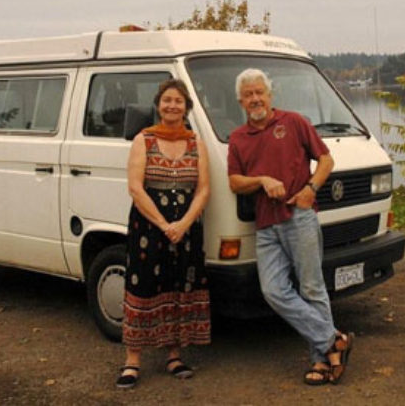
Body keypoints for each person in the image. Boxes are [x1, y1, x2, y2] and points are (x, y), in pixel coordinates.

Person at [227, 68, 354, 385]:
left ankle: (321, 361)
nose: (255, 98)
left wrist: (310, 189)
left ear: (270, 95)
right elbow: (234, 182)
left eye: (260, 92)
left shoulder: (294, 122)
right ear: (240, 101)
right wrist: (260, 180)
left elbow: (326, 160)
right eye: (249, 94)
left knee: (311, 288)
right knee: (273, 291)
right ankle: (333, 339)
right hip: (266, 224)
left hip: (299, 217)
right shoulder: (238, 138)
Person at [117, 79, 211, 389]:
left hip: (186, 227)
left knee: (178, 286)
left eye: (178, 101)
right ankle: (132, 360)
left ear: (187, 107)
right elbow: (135, 187)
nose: (172, 105)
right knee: (142, 286)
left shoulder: (197, 143)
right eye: (167, 100)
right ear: (158, 105)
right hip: (148, 227)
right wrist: (163, 224)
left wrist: (183, 224)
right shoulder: (143, 140)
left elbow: (203, 189)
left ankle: (174, 355)